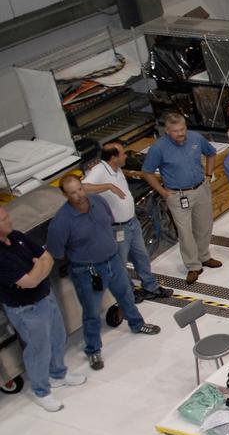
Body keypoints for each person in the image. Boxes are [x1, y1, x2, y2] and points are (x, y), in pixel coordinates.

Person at [45, 175, 161, 371]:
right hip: (87, 271)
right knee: (91, 312)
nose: (79, 195)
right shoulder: (61, 222)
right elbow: (56, 251)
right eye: (72, 193)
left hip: (113, 261)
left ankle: (137, 323)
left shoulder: (98, 201)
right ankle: (93, 350)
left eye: (80, 189)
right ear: (65, 195)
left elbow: (110, 222)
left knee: (126, 295)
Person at [0, 207, 85, 411]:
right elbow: (29, 281)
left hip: (46, 297)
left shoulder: (18, 237)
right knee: (38, 349)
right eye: (4, 219)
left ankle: (58, 373)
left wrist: (37, 270)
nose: (9, 220)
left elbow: (48, 257)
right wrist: (38, 269)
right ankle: (41, 391)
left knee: (58, 337)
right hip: (26, 309)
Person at [82, 141, 174, 300]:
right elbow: (82, 188)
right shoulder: (99, 170)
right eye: (122, 154)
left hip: (132, 223)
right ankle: (128, 292)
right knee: (120, 262)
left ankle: (150, 287)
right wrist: (108, 186)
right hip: (117, 228)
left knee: (141, 256)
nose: (125, 156)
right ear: (113, 157)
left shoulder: (117, 169)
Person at [140, 113, 222, 284]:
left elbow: (211, 153)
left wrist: (208, 175)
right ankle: (193, 265)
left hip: (200, 189)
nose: (180, 133)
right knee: (185, 232)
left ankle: (204, 256)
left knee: (205, 225)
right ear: (167, 131)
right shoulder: (159, 148)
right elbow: (147, 172)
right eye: (176, 131)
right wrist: (162, 192)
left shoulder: (196, 138)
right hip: (177, 195)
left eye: (183, 129)